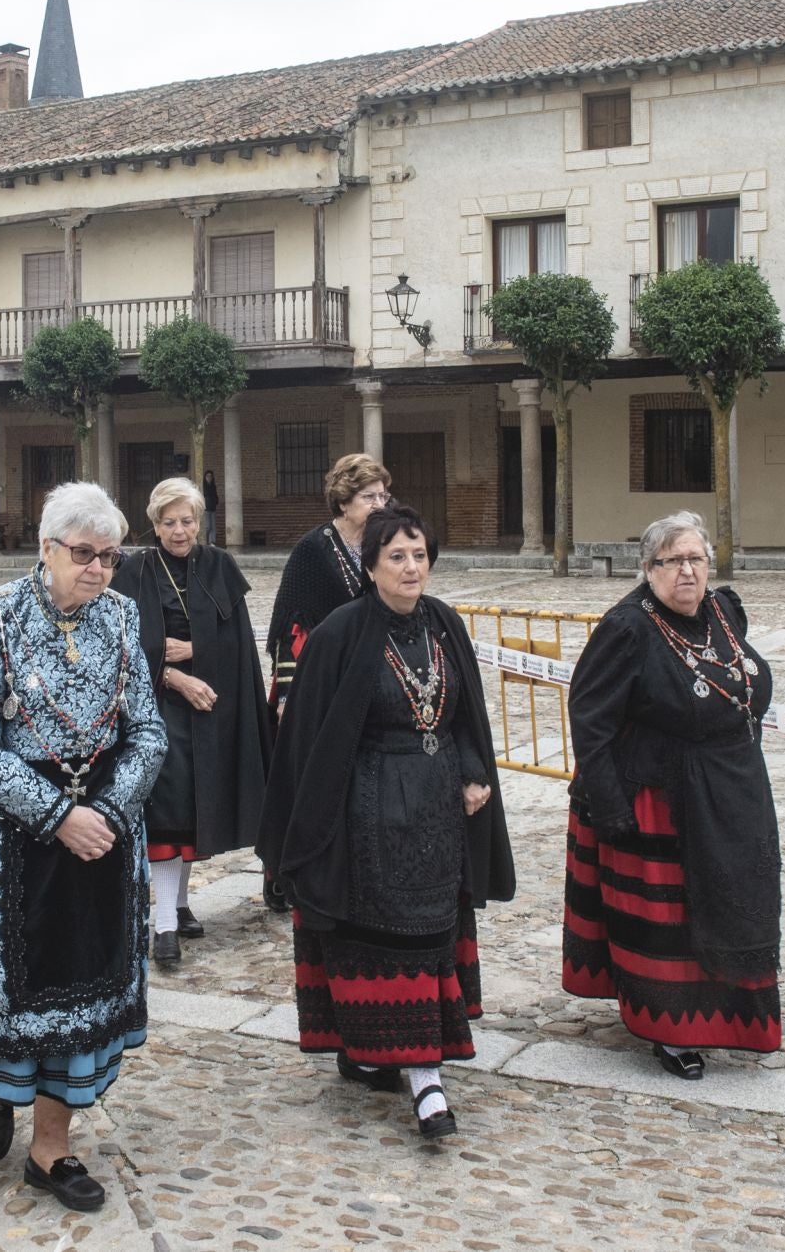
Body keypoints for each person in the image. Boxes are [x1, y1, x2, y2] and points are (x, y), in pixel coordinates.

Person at [0, 482, 166, 1215]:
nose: (99, 570)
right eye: (84, 555)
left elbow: (147, 730)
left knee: (83, 985)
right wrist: (56, 815)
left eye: (110, 557)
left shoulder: (122, 615)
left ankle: (51, 1148)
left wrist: (107, 812)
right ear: (47, 549)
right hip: (7, 828)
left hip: (104, 829)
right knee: (5, 989)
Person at [258, 504, 512, 1140]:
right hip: (367, 809)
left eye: (419, 554)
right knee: (371, 933)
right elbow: (309, 739)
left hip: (436, 809)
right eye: (396, 556)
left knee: (431, 932)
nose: (410, 567)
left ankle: (426, 1077)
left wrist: (476, 771)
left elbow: (467, 715)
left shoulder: (446, 625)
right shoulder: (340, 634)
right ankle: (372, 1047)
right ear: (370, 565)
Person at [563, 511, 782, 1081]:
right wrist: (610, 807)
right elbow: (591, 719)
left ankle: (734, 1019)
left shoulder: (725, 612)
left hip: (733, 788)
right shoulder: (627, 628)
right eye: (672, 561)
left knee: (739, 899)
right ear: (649, 568)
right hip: (660, 798)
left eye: (696, 559)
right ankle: (673, 1030)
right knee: (676, 918)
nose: (686, 572)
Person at [110, 477, 271, 965]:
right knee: (165, 809)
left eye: (188, 521)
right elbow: (121, 646)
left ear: (199, 523)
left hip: (211, 705)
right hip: (157, 707)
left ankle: (179, 906)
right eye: (169, 522)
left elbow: (240, 642)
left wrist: (200, 648)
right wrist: (173, 674)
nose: (180, 531)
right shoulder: (133, 570)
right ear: (154, 525)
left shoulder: (219, 565)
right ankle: (162, 927)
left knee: (194, 811)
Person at [260, 452, 391, 911]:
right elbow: (291, 626)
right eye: (369, 496)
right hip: (313, 684)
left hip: (367, 683)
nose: (380, 503)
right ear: (344, 501)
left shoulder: (381, 545)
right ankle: (284, 872)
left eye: (382, 495)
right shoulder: (314, 549)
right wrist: (290, 695)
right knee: (303, 780)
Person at [202, 469, 220, 545]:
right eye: (207, 476)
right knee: (208, 526)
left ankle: (212, 542)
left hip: (213, 508)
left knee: (213, 527)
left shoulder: (213, 486)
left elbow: (215, 496)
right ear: (205, 477)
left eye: (210, 476)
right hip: (205, 509)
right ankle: (203, 540)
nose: (209, 478)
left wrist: (216, 501)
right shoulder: (202, 486)